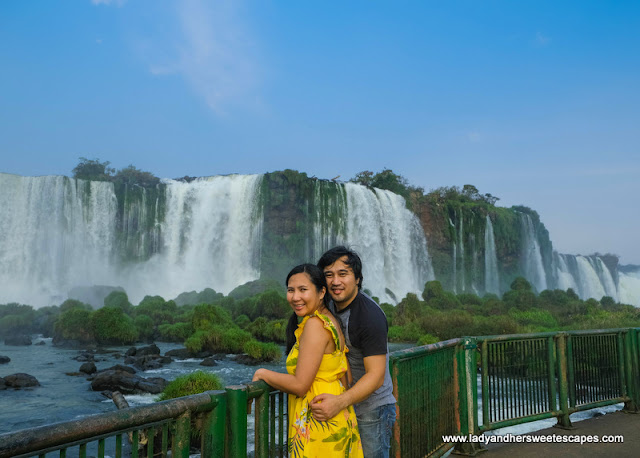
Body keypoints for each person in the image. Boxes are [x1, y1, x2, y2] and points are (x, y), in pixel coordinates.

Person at [252, 263, 363, 457]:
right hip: (336, 416)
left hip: (318, 419)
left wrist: (263, 373)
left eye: (303, 290)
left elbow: (301, 385)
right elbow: (347, 376)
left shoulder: (315, 325)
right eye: (290, 290)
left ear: (321, 292)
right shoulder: (331, 321)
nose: (295, 297)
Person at [310, 246, 396, 458]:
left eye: (343, 274)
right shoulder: (328, 304)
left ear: (357, 278)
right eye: (329, 275)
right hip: (344, 405)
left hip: (372, 411)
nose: (335, 281)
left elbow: (376, 376)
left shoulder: (369, 317)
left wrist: (338, 402)